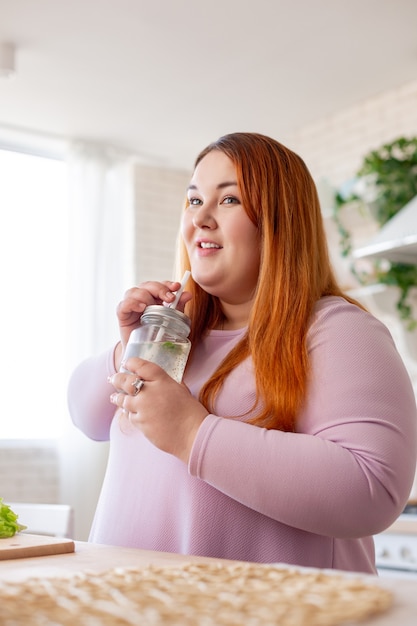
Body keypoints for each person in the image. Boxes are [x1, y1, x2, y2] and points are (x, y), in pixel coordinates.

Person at [68, 132, 417, 574]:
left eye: (229, 200)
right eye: (194, 200)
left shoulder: (338, 330)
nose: (202, 218)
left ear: (279, 221)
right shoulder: (179, 334)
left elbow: (373, 490)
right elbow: (86, 416)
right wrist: (130, 347)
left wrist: (194, 434)